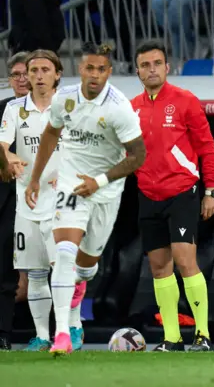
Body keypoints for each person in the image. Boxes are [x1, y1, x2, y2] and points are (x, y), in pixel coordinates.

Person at [25, 42, 146, 356]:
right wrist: (36, 177)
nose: (94, 75)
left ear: (109, 71)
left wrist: (101, 181)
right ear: (80, 68)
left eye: (101, 69)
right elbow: (51, 133)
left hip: (105, 191)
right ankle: (63, 334)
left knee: (87, 265)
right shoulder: (64, 98)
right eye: (89, 68)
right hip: (70, 185)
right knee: (64, 253)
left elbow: (138, 156)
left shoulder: (119, 107)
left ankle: (81, 281)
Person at [131, 40, 214, 352]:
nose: (152, 69)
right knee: (158, 266)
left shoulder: (185, 101)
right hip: (147, 194)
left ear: (167, 67)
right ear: (138, 71)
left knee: (185, 260)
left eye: (157, 63)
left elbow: (207, 147)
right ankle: (171, 337)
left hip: (183, 191)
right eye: (145, 64)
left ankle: (203, 334)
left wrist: (211, 190)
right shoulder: (132, 108)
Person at [0, 50, 87, 352]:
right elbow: (3, 145)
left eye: (44, 69)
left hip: (63, 200)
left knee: (63, 268)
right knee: (35, 272)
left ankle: (70, 329)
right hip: (28, 200)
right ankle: (42, 335)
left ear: (57, 74)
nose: (37, 75)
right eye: (33, 70)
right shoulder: (14, 109)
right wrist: (9, 159)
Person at [0, 52, 30, 349]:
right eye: (16, 75)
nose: (22, 80)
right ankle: (3, 335)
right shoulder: (2, 110)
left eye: (26, 73)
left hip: (40, 199)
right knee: (5, 269)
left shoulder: (52, 112)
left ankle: (54, 332)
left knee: (46, 268)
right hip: (6, 199)